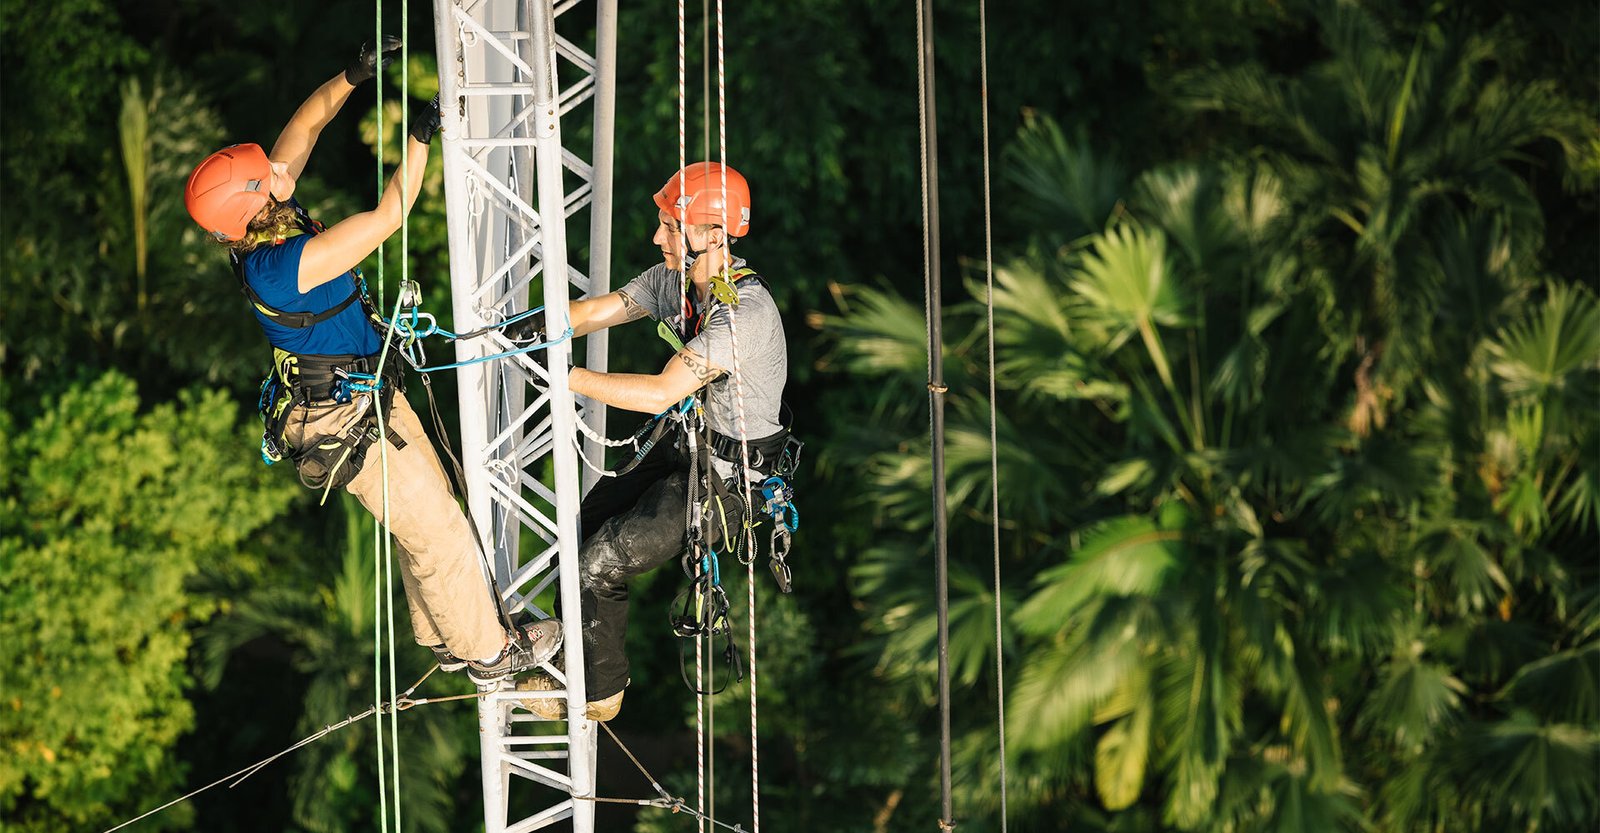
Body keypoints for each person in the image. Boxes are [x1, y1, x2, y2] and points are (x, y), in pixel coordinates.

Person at [182, 37, 560, 685]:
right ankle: (491, 655)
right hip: (342, 417)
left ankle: (446, 631)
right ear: (253, 202)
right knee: (436, 531)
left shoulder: (263, 219)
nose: (280, 168)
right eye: (267, 174)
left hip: (359, 391)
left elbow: (306, 125)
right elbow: (392, 212)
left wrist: (351, 75)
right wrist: (419, 138)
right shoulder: (280, 268)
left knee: (435, 505)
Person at [508, 162, 791, 720]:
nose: (656, 237)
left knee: (602, 561)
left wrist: (561, 378)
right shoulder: (677, 282)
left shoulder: (745, 316)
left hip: (733, 480)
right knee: (580, 524)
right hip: (690, 448)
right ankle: (571, 650)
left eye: (669, 226)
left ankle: (599, 694)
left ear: (712, 237)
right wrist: (530, 326)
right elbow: (599, 311)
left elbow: (662, 391)